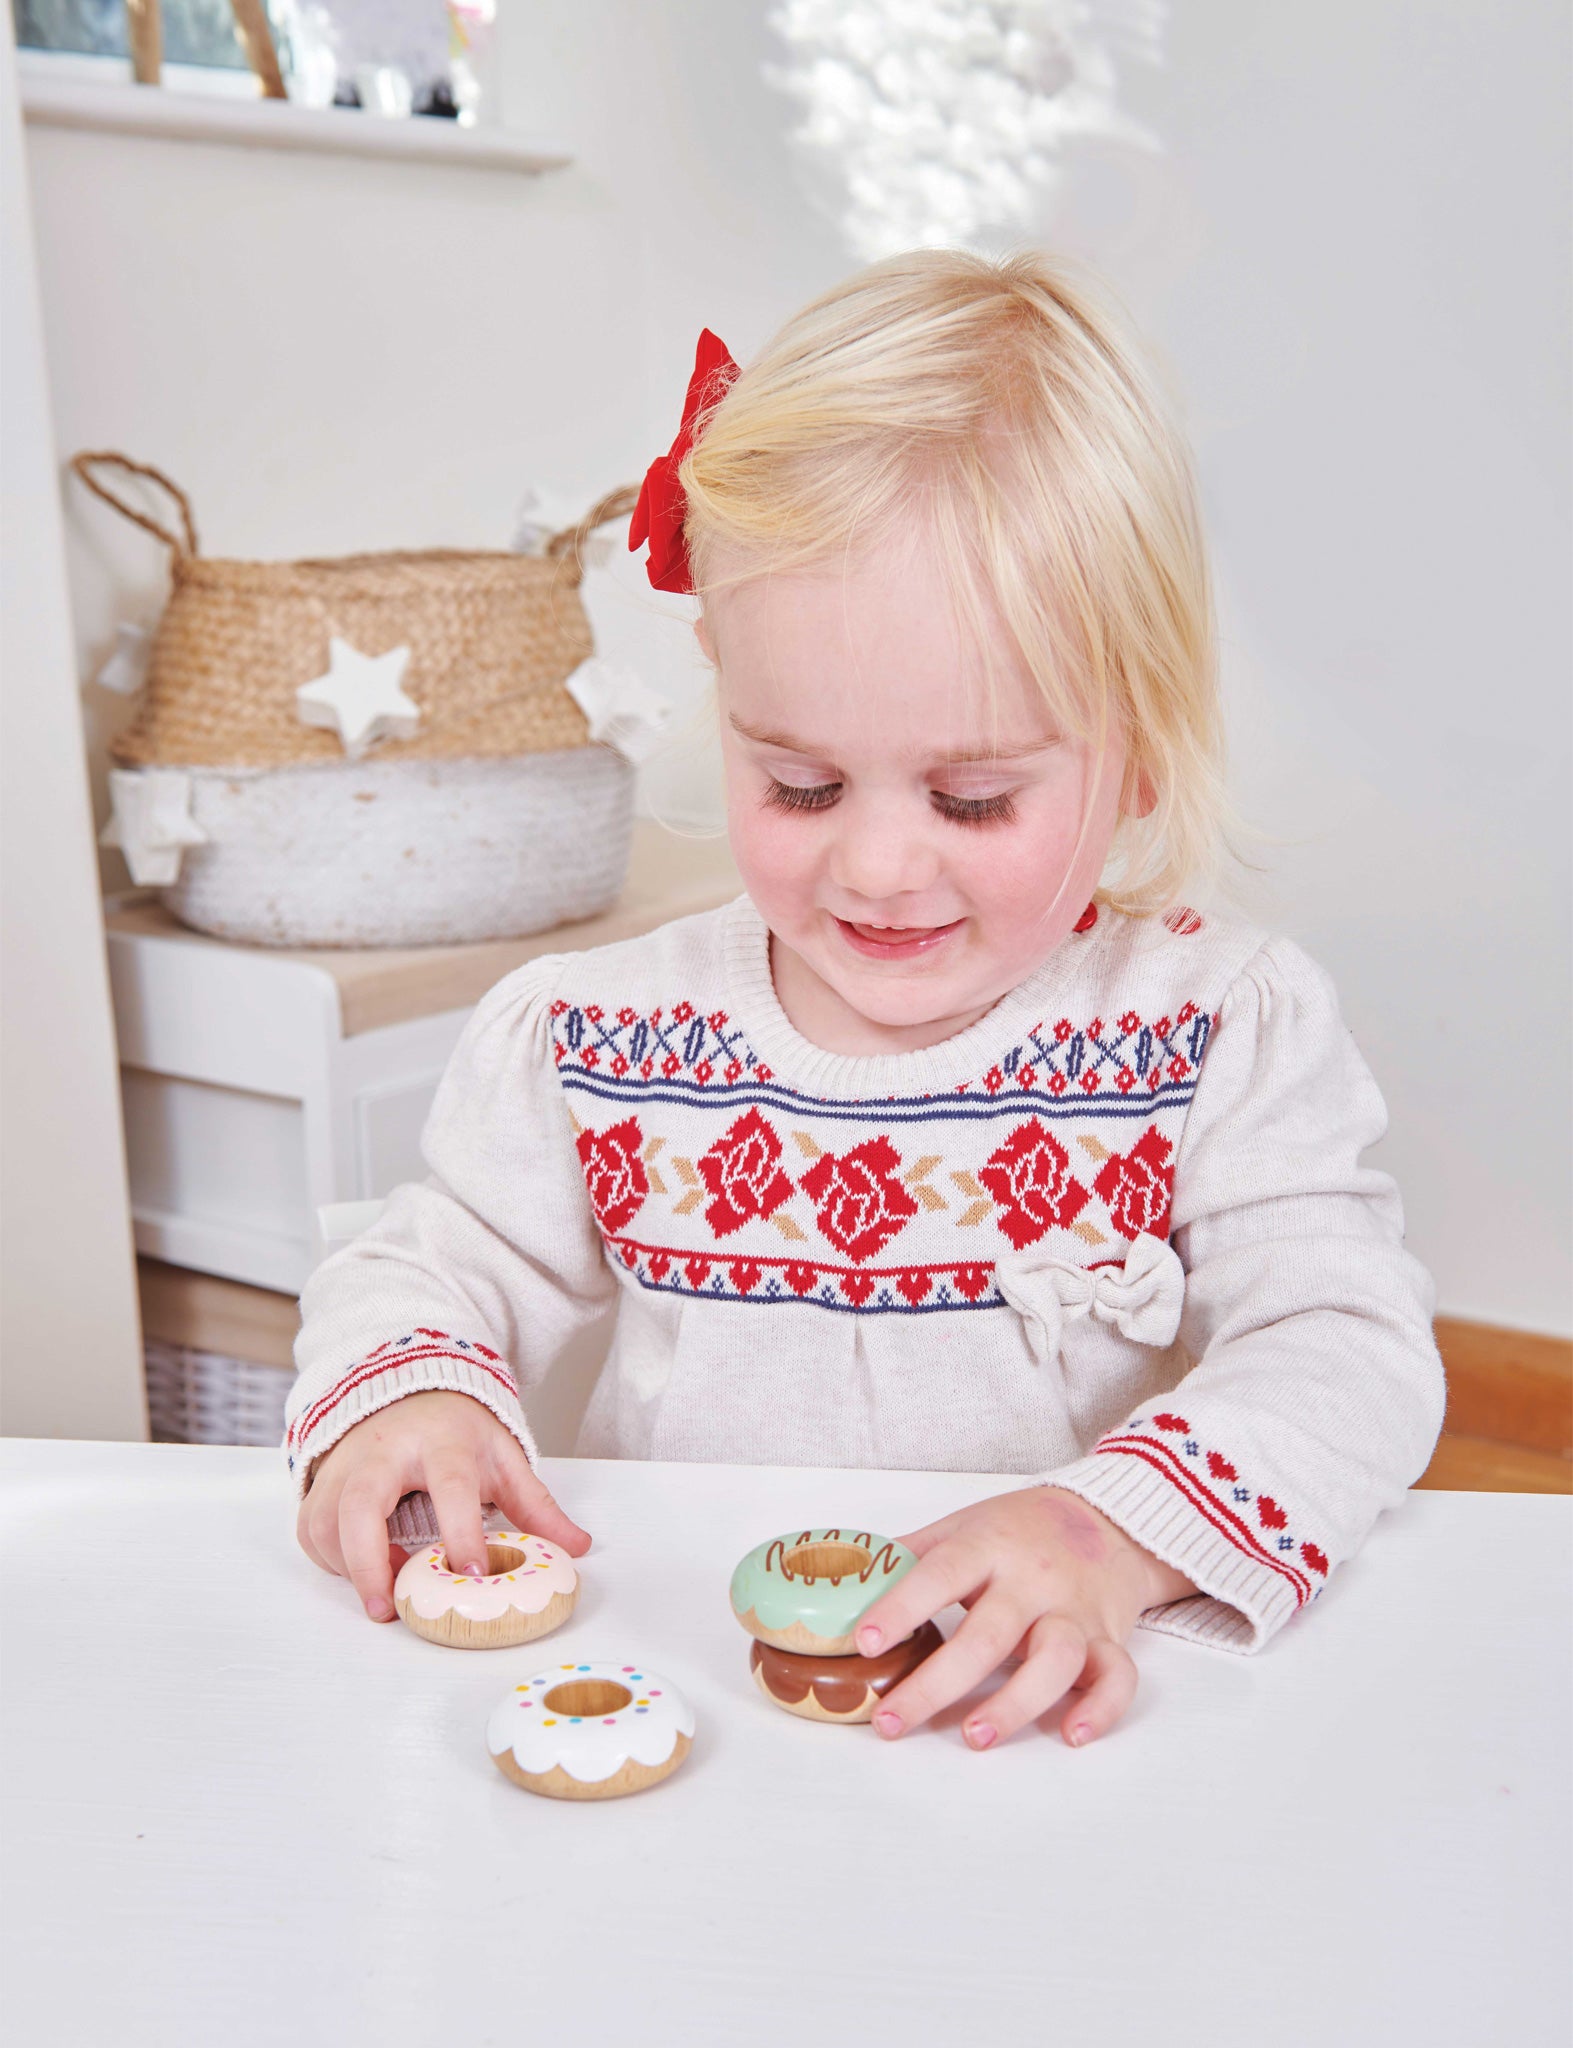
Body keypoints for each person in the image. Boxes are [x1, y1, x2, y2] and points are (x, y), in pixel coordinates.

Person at [286, 249, 1444, 1752]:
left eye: (971, 798)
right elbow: (427, 1262)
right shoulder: (598, 1038)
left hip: (1048, 1717)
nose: (879, 865)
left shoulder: (1214, 1031)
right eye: (800, 781)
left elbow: (1344, 1344)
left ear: (1139, 749)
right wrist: (405, 1402)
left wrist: (1113, 1534)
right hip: (692, 1691)